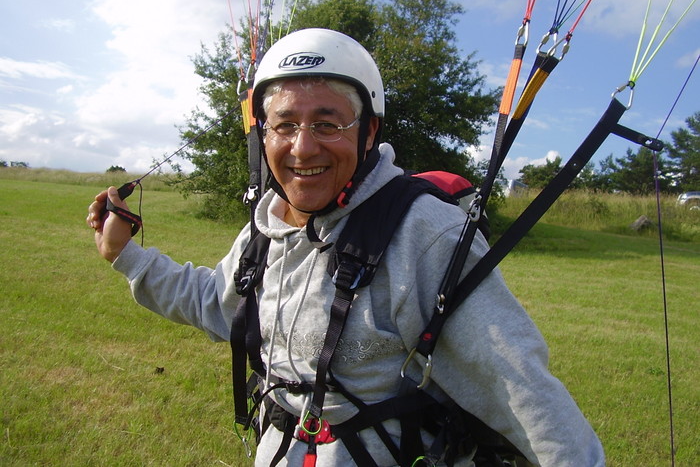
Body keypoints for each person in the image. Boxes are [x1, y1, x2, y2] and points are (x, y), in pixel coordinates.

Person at [87, 28, 605, 466]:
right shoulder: (265, 229)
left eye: (327, 124)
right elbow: (218, 303)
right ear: (262, 136)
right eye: (284, 124)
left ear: (369, 131)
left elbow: (521, 391)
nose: (303, 146)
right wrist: (125, 255)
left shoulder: (424, 234)